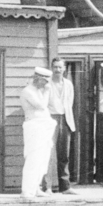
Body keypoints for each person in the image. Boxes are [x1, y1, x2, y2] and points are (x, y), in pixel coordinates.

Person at [20, 67, 55, 198]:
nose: (46, 84)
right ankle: (26, 191)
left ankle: (35, 188)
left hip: (44, 128)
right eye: (44, 81)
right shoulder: (28, 91)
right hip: (34, 127)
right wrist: (47, 91)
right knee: (33, 159)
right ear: (37, 78)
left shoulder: (39, 90)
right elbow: (41, 105)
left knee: (43, 159)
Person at [47, 57, 76, 193]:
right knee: (47, 154)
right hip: (50, 118)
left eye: (60, 67)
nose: (57, 70)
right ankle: (46, 187)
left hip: (65, 119)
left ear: (64, 69)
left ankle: (65, 187)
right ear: (51, 68)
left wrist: (66, 119)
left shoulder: (68, 84)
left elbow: (70, 103)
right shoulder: (47, 83)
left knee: (64, 154)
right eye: (55, 67)